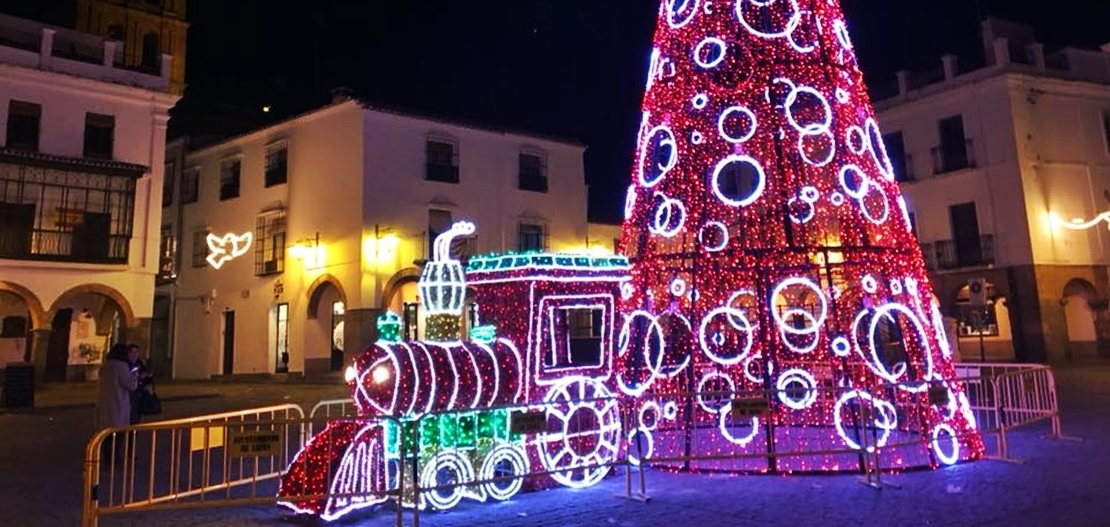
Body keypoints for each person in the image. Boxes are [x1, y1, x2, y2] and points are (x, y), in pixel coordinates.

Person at [97, 343, 138, 461]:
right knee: (117, 434)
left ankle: (107, 459)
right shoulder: (121, 366)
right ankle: (115, 460)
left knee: (106, 435)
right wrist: (134, 374)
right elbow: (131, 385)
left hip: (105, 404)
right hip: (118, 404)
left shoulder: (106, 366)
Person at [127, 344, 154, 425]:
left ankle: (133, 433)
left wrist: (148, 376)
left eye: (136, 352)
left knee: (136, 416)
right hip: (130, 394)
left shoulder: (139, 363)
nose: (134, 354)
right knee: (130, 416)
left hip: (139, 394)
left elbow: (146, 379)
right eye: (132, 352)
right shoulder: (126, 364)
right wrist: (138, 376)